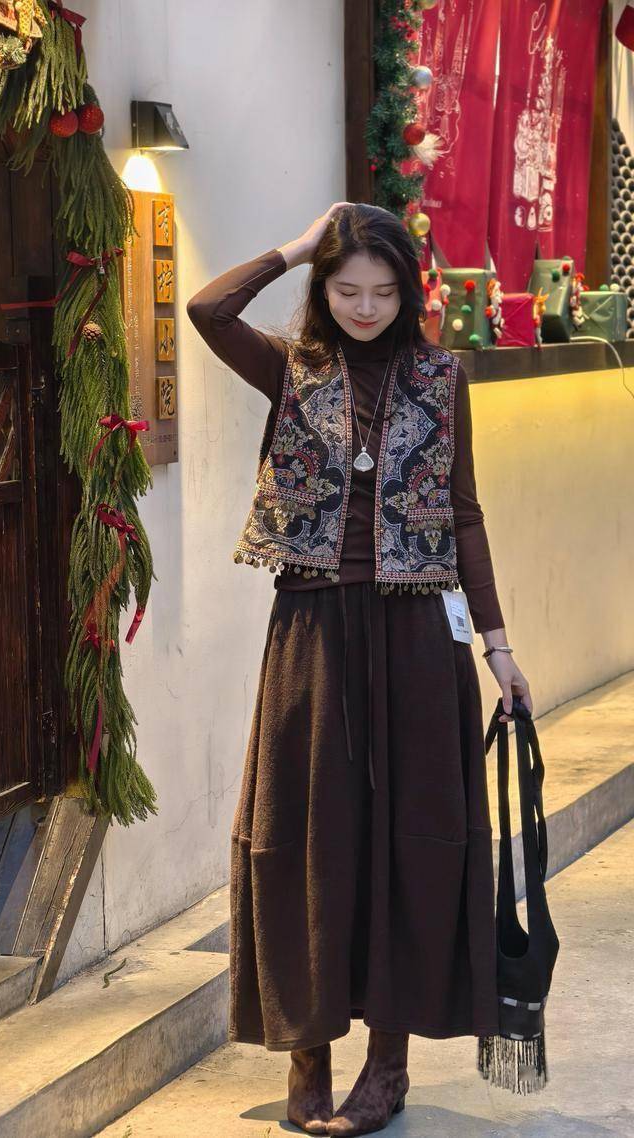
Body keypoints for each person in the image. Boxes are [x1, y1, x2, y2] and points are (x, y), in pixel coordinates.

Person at [186, 202, 532, 1137]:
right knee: (307, 836)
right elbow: (208, 310)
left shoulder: (442, 378)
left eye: (383, 291)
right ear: (324, 288)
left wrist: (498, 647)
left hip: (419, 636)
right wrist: (299, 243)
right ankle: (308, 1055)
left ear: (408, 292)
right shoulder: (291, 367)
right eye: (346, 290)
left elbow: (464, 513)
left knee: (406, 844)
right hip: (312, 633)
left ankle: (387, 1066)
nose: (367, 308)